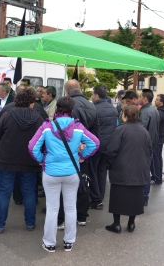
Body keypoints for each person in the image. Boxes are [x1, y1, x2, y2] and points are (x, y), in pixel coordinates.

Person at [29, 96, 99, 252]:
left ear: (57, 109)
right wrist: (81, 156)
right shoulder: (78, 127)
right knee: (70, 208)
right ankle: (69, 242)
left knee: (52, 209)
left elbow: (32, 147)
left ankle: (49, 243)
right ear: (72, 110)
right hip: (71, 172)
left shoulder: (47, 126)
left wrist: (42, 160)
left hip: (51, 172)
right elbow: (95, 143)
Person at [0, 88, 44, 234]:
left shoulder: (7, 115)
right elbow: (42, 141)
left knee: (4, 193)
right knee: (29, 193)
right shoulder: (38, 118)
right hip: (29, 161)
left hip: (6, 160)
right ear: (32, 102)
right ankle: (30, 223)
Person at [104, 105, 152, 234]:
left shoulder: (119, 130)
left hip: (121, 169)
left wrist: (109, 165)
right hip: (139, 170)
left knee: (117, 198)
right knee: (135, 198)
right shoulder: (144, 131)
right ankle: (131, 223)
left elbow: (112, 150)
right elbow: (149, 150)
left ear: (124, 116)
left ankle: (117, 224)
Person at [61, 79, 100, 226]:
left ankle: (66, 216)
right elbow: (96, 131)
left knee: (67, 185)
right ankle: (82, 216)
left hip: (71, 152)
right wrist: (85, 147)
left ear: (67, 92)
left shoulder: (69, 106)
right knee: (84, 182)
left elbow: (68, 131)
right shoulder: (92, 105)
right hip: (86, 151)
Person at [89, 86, 118, 210]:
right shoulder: (113, 109)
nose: (91, 96)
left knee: (93, 171)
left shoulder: (94, 109)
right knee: (102, 172)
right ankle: (100, 197)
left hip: (96, 145)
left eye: (92, 94)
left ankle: (95, 198)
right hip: (109, 145)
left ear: (96, 95)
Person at [138, 89, 160, 206]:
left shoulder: (145, 111)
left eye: (140, 96)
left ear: (145, 99)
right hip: (152, 145)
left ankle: (143, 197)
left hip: (144, 146)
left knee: (144, 172)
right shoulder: (154, 110)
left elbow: (141, 129)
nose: (139, 98)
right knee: (146, 171)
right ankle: (144, 197)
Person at [151, 94, 164, 185]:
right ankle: (156, 177)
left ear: (161, 102)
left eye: (157, 100)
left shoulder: (159, 112)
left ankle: (157, 178)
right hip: (161, 136)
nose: (155, 101)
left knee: (156, 158)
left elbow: (154, 126)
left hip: (158, 137)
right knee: (157, 157)